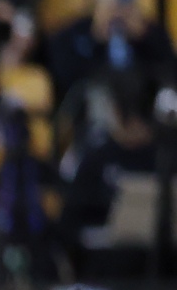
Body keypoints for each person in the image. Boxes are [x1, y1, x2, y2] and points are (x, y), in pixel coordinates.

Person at [44, 0, 176, 120]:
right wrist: (95, 38)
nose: (116, 3)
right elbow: (64, 82)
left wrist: (145, 38)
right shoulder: (73, 35)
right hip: (92, 122)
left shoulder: (151, 33)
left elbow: (170, 76)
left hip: (145, 119)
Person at [57, 69, 164, 278]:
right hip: (108, 271)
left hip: (160, 269)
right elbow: (69, 226)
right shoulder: (97, 159)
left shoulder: (165, 156)